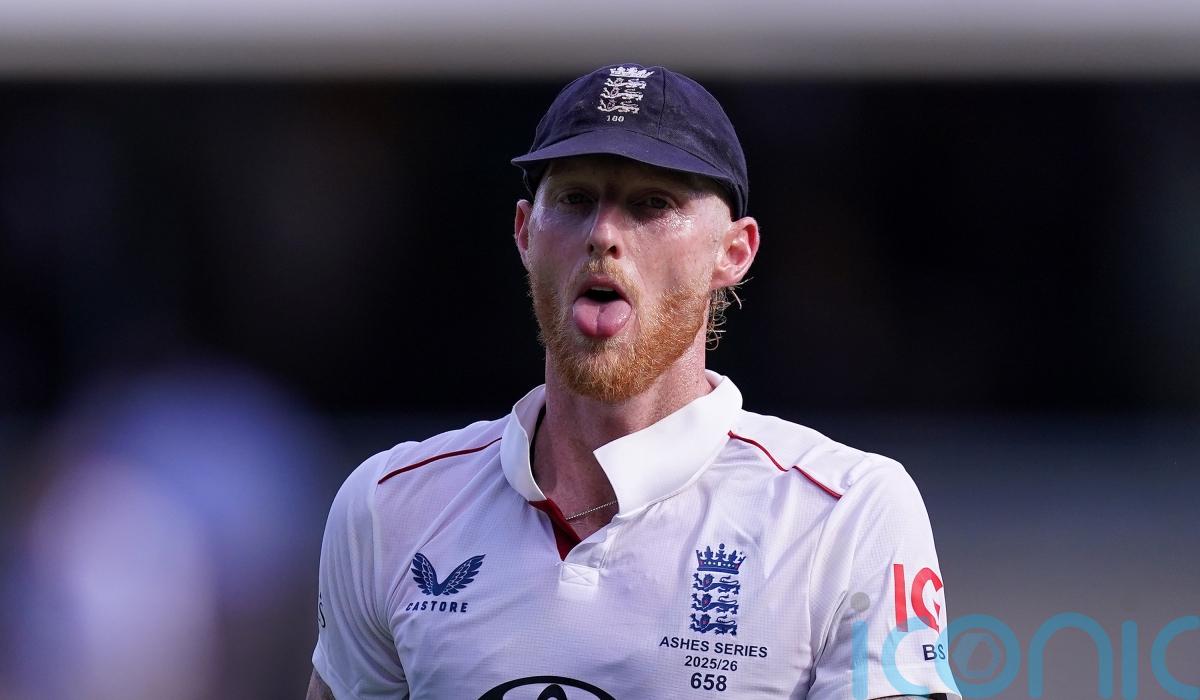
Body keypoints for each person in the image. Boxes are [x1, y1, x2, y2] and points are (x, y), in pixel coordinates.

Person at [307, 63, 959, 700]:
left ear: (733, 252)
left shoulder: (848, 512)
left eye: (652, 204)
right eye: (575, 199)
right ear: (524, 234)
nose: (603, 235)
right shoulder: (388, 506)